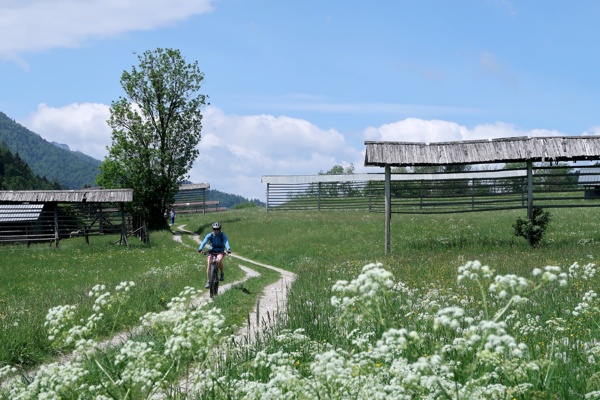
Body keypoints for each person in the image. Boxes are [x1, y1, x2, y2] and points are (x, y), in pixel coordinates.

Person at [198, 222, 231, 289]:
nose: (216, 230)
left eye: (218, 229)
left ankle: (222, 273)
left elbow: (226, 242)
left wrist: (228, 249)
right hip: (211, 251)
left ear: (220, 229)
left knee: (218, 261)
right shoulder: (210, 235)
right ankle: (208, 281)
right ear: (212, 229)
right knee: (209, 264)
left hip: (220, 251)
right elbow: (204, 242)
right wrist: (200, 249)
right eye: (214, 229)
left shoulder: (222, 235)